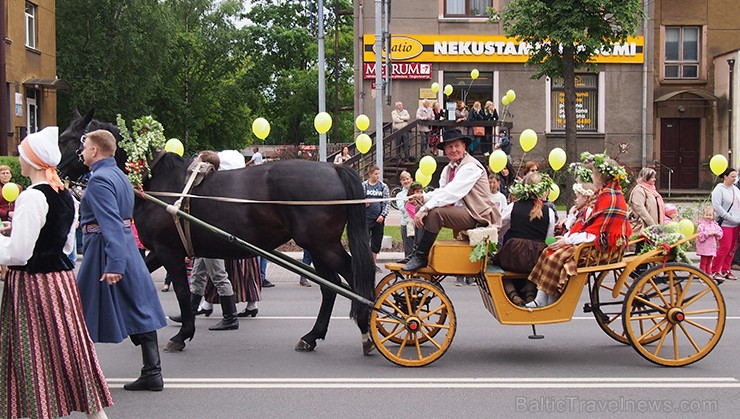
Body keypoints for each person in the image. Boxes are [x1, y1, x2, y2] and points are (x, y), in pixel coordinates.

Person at [0, 127, 113, 418]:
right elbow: (63, 245)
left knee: (33, 353)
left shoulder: (31, 197)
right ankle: (95, 411)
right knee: (70, 347)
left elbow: (19, 253)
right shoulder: (65, 196)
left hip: (32, 284)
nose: (19, 159)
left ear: (32, 161)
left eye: (22, 154)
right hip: (60, 283)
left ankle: (41, 409)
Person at [76, 129, 167, 392]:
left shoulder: (100, 179)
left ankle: (80, 377)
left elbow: (111, 222)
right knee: (138, 307)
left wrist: (114, 263)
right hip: (123, 247)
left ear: (95, 150)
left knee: (82, 313)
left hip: (105, 251)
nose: (82, 153)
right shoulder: (118, 175)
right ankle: (152, 372)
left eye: (85, 148)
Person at [525, 154, 631, 308]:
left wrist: (567, 240)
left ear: (601, 177)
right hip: (595, 243)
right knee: (551, 251)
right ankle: (544, 298)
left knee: (557, 256)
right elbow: (588, 226)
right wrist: (567, 237)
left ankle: (549, 301)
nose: (593, 178)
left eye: (594, 174)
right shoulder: (605, 194)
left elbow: (594, 234)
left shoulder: (610, 198)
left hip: (601, 248)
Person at [403, 129, 502, 272]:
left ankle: (421, 257)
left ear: (464, 146)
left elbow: (452, 193)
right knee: (420, 209)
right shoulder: (449, 168)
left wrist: (426, 208)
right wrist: (423, 198)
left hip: (480, 216)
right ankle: (416, 254)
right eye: (450, 147)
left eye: (457, 146)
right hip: (466, 212)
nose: (453, 150)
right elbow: (442, 191)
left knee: (435, 213)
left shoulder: (470, 167)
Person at [168, 151, 239, 331]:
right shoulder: (200, 183)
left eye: (197, 159)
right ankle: (190, 312)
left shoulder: (207, 185)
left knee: (218, 275)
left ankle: (230, 316)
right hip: (202, 238)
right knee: (198, 274)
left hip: (210, 237)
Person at [494, 172, 556, 305]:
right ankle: (530, 293)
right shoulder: (548, 212)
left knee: (496, 265)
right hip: (536, 257)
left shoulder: (513, 207)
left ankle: (513, 294)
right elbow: (549, 237)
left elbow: (500, 230)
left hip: (514, 253)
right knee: (532, 267)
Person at [710, 167, 740, 281]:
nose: (734, 179)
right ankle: (715, 270)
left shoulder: (736, 190)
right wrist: (729, 217)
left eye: (735, 177)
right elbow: (717, 207)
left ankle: (726, 269)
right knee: (725, 247)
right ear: (725, 176)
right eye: (732, 176)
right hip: (725, 223)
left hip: (736, 223)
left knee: (732, 248)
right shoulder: (719, 189)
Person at [363, 164, 390, 270]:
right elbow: (359, 200)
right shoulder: (364, 186)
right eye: (375, 174)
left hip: (378, 219)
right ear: (370, 174)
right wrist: (364, 203)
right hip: (366, 218)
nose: (378, 176)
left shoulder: (383, 187)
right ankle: (365, 263)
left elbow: (387, 202)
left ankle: (373, 264)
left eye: (379, 174)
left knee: (376, 242)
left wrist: (383, 215)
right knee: (364, 240)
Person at [628, 167, 665, 237]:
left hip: (651, 228)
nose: (655, 179)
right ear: (645, 178)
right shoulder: (639, 190)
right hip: (643, 228)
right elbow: (640, 209)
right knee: (641, 246)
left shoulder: (651, 189)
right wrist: (652, 225)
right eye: (652, 178)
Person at [0, 164, 22, 282]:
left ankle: (12, 268)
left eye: (7, 173)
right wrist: (7, 212)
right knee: (3, 243)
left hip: (15, 218)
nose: (5, 175)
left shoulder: (17, 187)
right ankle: (4, 270)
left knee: (13, 241)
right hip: (1, 219)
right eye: (3, 173)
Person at [696, 205, 723, 277]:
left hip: (711, 247)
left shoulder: (715, 225)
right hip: (704, 247)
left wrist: (716, 233)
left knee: (709, 261)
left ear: (713, 216)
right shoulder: (701, 225)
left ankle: (708, 273)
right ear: (704, 215)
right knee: (704, 262)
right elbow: (699, 235)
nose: (708, 217)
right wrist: (707, 233)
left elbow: (720, 233)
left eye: (710, 215)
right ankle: (702, 274)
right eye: (706, 215)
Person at [396, 170, 415, 262]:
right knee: (409, 251)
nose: (406, 181)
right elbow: (402, 208)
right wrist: (408, 203)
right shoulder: (400, 195)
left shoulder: (418, 191)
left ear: (411, 179)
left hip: (419, 224)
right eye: (403, 180)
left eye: (407, 179)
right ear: (401, 182)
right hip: (406, 224)